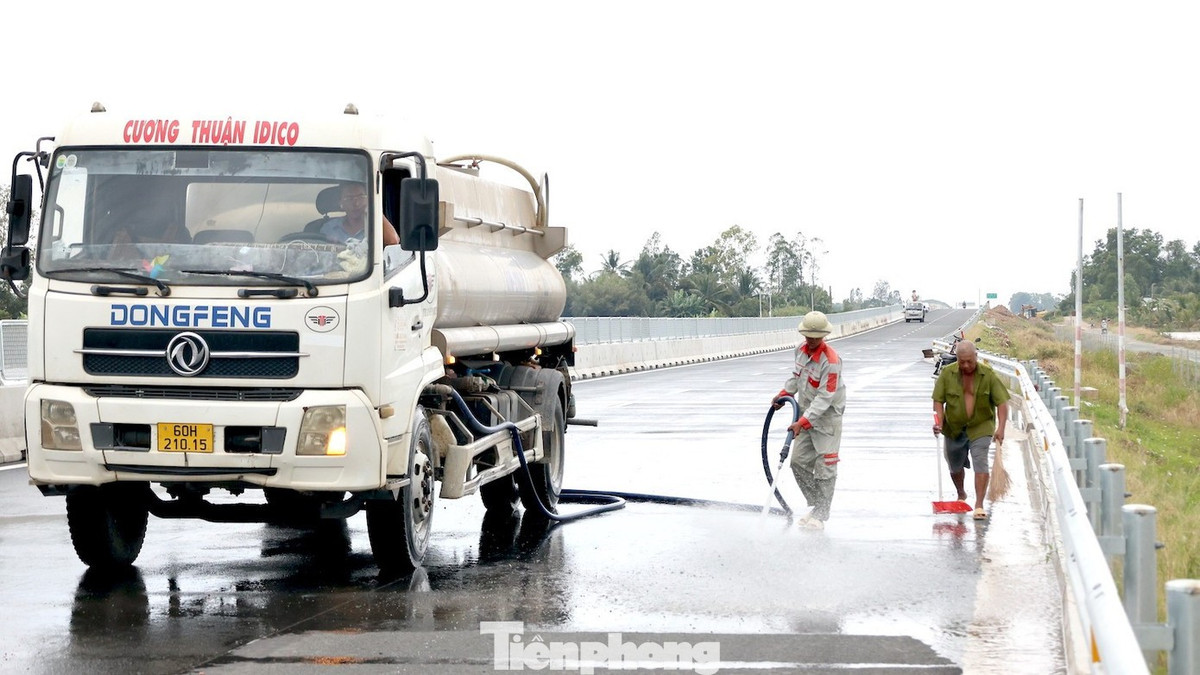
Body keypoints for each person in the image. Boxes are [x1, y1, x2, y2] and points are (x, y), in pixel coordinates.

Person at [772, 311, 846, 530]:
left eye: (816, 337)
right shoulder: (800, 351)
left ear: (823, 335)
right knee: (798, 462)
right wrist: (782, 395)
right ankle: (817, 506)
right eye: (808, 336)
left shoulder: (831, 361)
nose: (811, 340)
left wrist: (801, 423)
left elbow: (825, 397)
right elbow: (796, 379)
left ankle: (821, 514)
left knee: (825, 465)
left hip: (826, 419)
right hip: (805, 415)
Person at [931, 341, 1009, 520]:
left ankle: (979, 505)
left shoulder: (987, 375)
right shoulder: (947, 373)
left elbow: (1002, 403)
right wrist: (939, 423)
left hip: (980, 426)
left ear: (976, 357)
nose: (966, 365)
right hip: (953, 427)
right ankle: (961, 494)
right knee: (954, 463)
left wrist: (1001, 427)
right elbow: (938, 400)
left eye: (969, 361)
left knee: (980, 460)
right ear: (957, 359)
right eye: (962, 362)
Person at [319, 183, 400, 246]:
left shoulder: (375, 226)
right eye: (349, 198)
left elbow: (393, 241)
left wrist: (375, 210)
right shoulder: (330, 228)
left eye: (361, 197)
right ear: (341, 203)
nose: (356, 203)